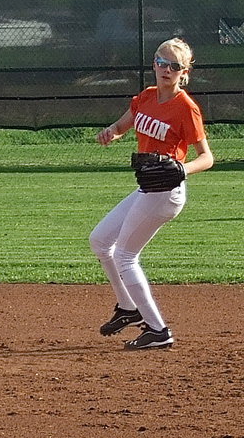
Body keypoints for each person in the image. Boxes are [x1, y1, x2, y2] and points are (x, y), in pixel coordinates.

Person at [90, 37, 213, 350]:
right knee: (101, 240)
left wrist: (183, 169)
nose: (166, 70)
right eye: (162, 62)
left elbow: (206, 157)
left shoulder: (186, 108)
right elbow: (122, 126)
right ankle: (128, 308)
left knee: (125, 255)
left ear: (184, 73)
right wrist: (111, 134)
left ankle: (158, 330)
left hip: (166, 192)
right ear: (154, 65)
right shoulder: (145, 97)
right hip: (147, 188)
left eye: (174, 66)